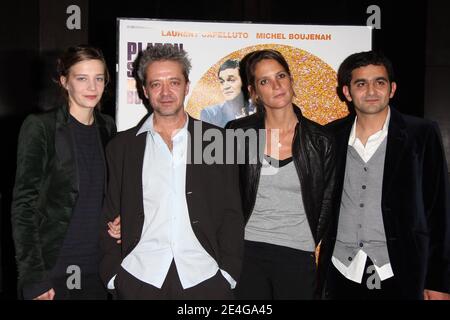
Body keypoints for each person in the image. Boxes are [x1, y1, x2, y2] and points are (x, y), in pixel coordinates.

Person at [99, 45, 244, 300]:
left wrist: (228, 274)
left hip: (205, 278)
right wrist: (114, 276)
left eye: (174, 82)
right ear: (145, 90)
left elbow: (231, 212)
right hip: (139, 277)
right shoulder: (122, 147)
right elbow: (109, 213)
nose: (166, 92)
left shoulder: (215, 141)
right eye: (156, 84)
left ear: (187, 86)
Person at [319, 51, 450, 300]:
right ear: (347, 92)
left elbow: (439, 211)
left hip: (401, 269)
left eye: (379, 82)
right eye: (361, 83)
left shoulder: (421, 134)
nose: (371, 90)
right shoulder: (330, 136)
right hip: (341, 269)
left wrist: (439, 281)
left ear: (392, 89)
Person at [225, 49, 336, 299]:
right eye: (265, 81)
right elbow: (220, 192)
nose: (276, 85)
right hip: (246, 252)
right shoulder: (236, 132)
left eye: (281, 75)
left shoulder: (321, 140)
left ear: (291, 80)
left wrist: (308, 241)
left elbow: (327, 201)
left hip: (297, 254)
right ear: (254, 91)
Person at [11, 45, 116, 300]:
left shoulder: (108, 127)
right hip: (54, 271)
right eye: (82, 78)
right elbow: (24, 207)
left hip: (99, 269)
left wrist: (118, 219)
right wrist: (34, 278)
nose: (92, 87)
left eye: (98, 78)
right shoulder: (40, 128)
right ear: (64, 81)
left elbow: (104, 193)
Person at [201, 59, 255, 127]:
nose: (225, 87)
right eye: (222, 82)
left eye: (231, 80)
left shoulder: (260, 109)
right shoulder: (210, 114)